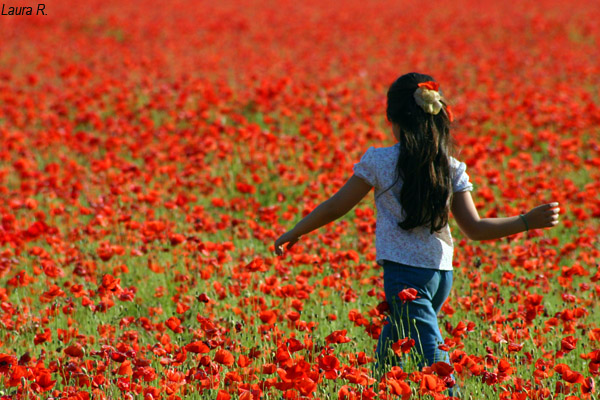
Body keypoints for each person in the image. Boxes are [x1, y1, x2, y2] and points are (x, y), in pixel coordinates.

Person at [273, 72, 560, 392]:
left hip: (405, 277)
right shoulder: (449, 166)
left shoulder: (380, 161)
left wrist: (297, 230)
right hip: (440, 276)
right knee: (392, 344)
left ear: (391, 118)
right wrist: (525, 220)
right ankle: (379, 389)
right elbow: (475, 229)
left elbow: (336, 206)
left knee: (432, 353)